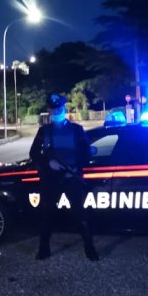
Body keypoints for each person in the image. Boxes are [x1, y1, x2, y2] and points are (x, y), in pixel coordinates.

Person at [29, 94, 99, 261]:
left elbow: (86, 152)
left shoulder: (76, 130)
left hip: (71, 178)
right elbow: (34, 154)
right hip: (51, 179)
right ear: (49, 110)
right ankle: (43, 249)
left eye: (59, 109)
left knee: (79, 215)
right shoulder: (44, 131)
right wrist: (49, 163)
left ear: (64, 110)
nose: (56, 112)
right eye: (53, 110)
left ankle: (90, 249)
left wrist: (74, 168)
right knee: (47, 215)